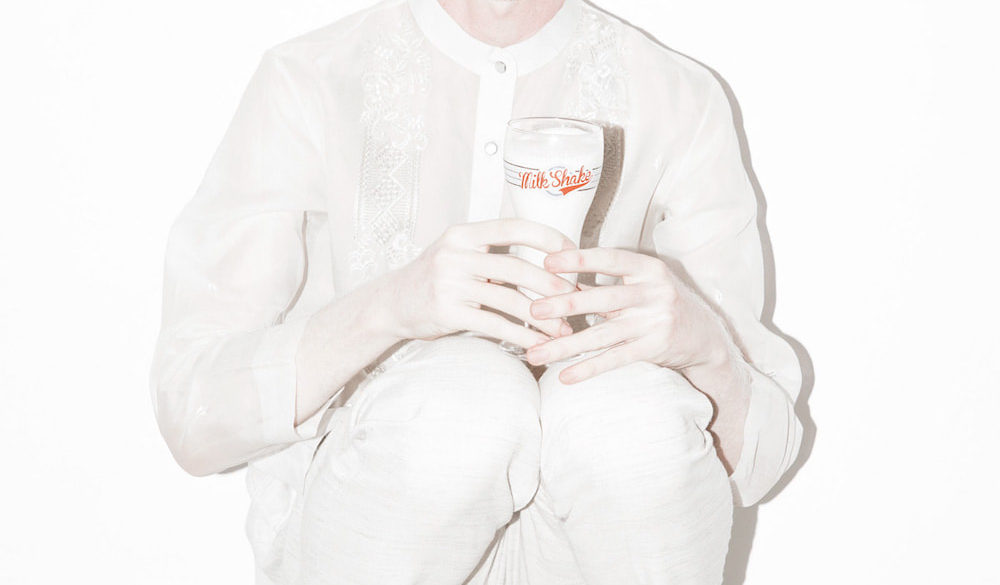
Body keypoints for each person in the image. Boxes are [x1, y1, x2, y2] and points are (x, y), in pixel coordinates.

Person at [149, 0, 805, 583]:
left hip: (589, 547)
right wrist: (390, 307)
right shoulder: (311, 79)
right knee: (461, 403)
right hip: (372, 531)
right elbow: (192, 413)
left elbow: (757, 466)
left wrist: (705, 348)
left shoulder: (678, 98)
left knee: (627, 415)